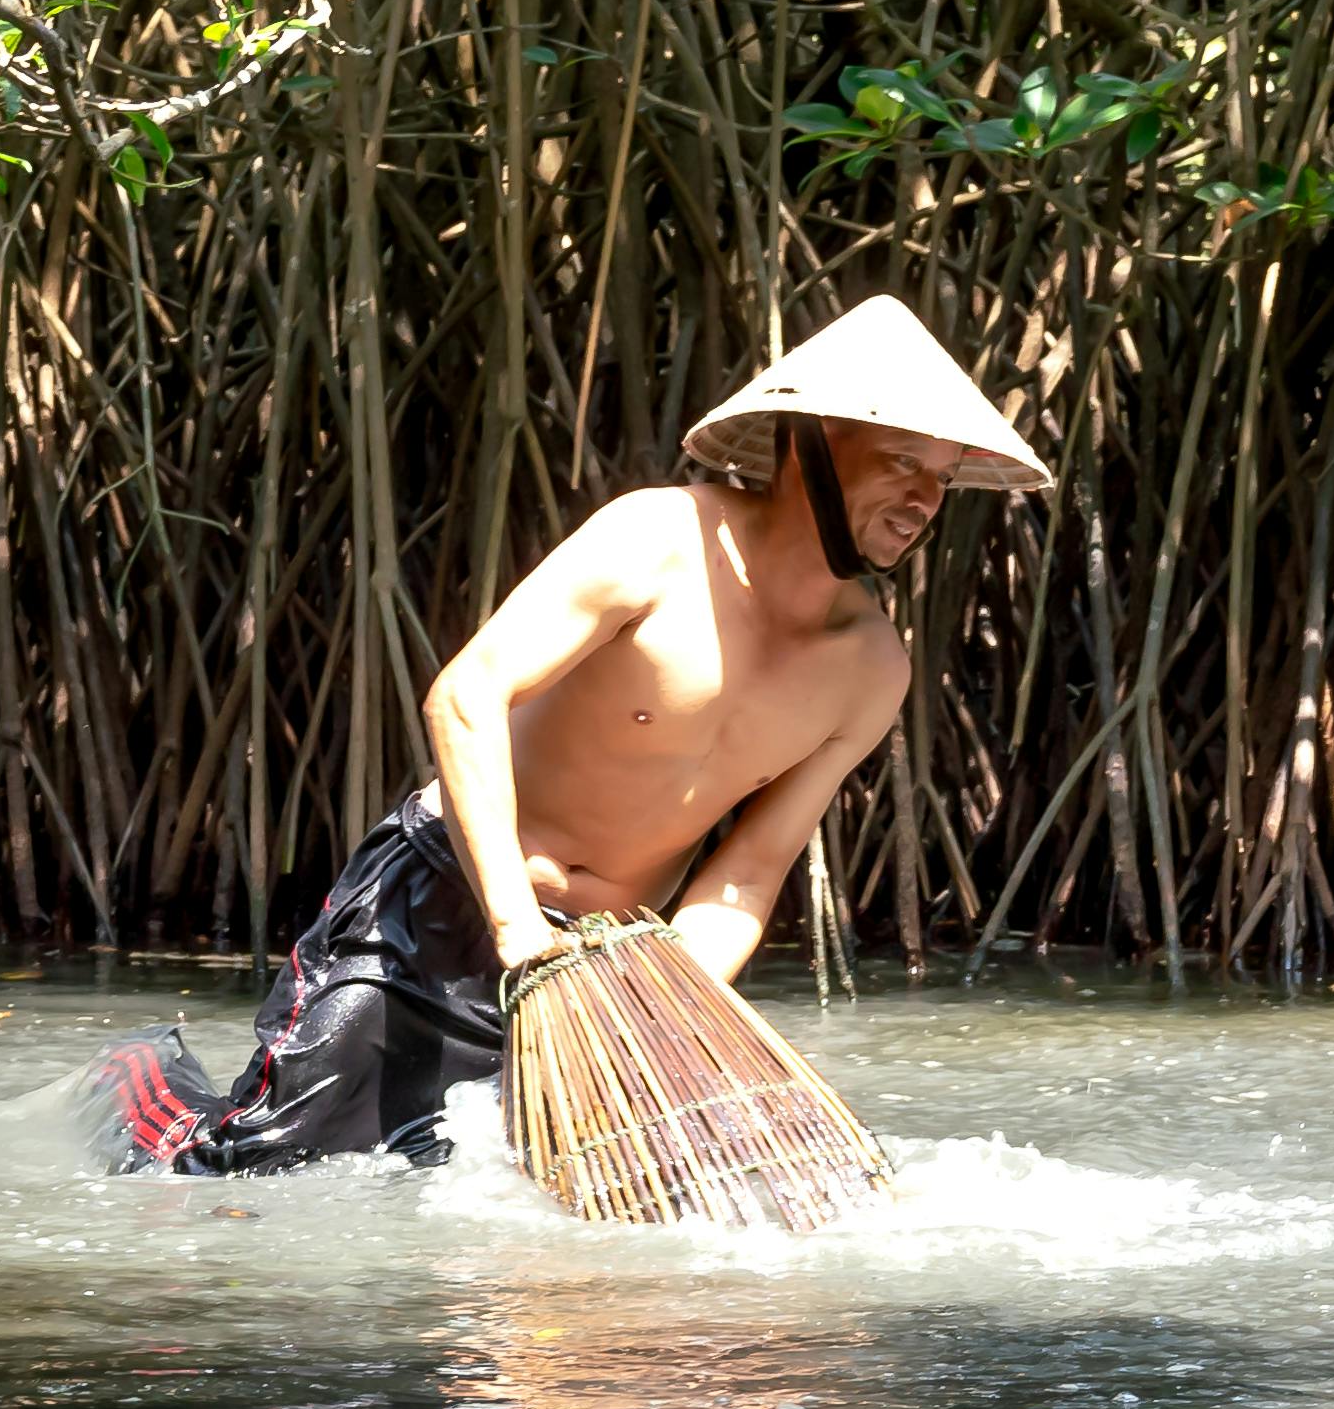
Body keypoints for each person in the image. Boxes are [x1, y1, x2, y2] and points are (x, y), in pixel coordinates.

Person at [109, 297, 1047, 1173]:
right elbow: (464, 697)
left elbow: (750, 868)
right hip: (439, 897)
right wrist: (516, 928)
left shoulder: (871, 664)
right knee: (257, 1164)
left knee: (490, 1184)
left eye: (940, 476)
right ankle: (138, 1089)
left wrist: (668, 1007)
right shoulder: (657, 536)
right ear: (805, 447)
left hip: (605, 953)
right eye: (899, 463)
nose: (925, 499)